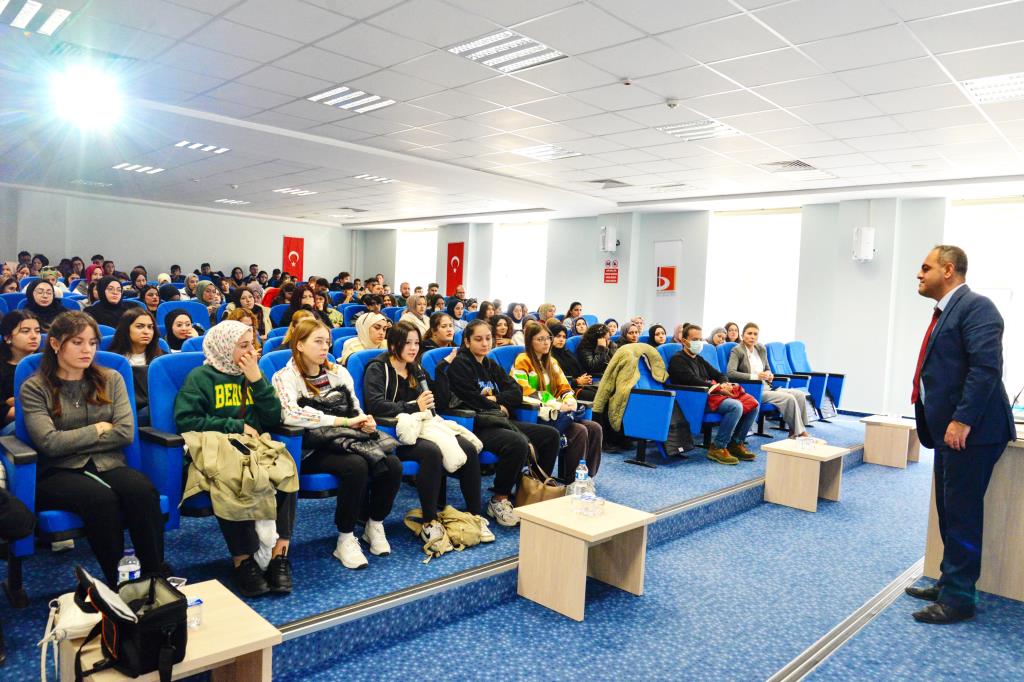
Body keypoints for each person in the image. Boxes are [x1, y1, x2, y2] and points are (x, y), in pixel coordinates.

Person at [905, 245, 1016, 624]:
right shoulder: (945, 311)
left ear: (948, 270)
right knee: (950, 510)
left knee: (963, 514)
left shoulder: (976, 307)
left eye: (926, 268)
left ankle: (958, 599)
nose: (919, 275)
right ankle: (948, 580)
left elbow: (986, 369)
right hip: (949, 431)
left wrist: (962, 420)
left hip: (973, 432)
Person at [21, 312, 166, 586]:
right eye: (77, 342)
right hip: (58, 472)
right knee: (100, 500)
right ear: (55, 344)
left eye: (92, 343)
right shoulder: (35, 387)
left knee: (142, 492)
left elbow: (124, 433)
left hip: (108, 462)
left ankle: (154, 574)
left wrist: (71, 438)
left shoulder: (111, 379)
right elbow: (50, 444)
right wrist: (99, 428)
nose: (87, 350)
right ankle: (120, 582)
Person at [175, 321, 295, 596]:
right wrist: (236, 426)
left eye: (252, 345)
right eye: (243, 346)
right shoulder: (200, 377)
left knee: (285, 469)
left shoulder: (252, 373)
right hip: (219, 449)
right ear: (224, 347)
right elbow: (186, 419)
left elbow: (272, 417)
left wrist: (256, 379)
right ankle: (243, 562)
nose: (251, 352)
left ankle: (279, 555)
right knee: (232, 478)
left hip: (255, 448)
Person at [271, 318, 401, 570]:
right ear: (299, 345)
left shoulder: (338, 372)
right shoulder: (284, 377)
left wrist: (364, 421)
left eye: (327, 342)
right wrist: (341, 420)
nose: (325, 348)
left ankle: (374, 524)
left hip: (347, 439)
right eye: (318, 342)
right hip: (310, 448)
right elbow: (291, 415)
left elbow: (354, 407)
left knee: (392, 464)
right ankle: (345, 537)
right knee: (356, 466)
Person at [362, 322, 491, 545]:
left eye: (416, 343)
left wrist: (441, 370)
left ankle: (474, 516)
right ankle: (430, 521)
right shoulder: (378, 367)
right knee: (431, 452)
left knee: (468, 448)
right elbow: (375, 405)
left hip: (424, 427)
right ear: (394, 345)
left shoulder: (415, 368)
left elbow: (436, 403)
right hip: (393, 432)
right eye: (407, 343)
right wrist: (414, 406)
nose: (413, 348)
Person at [434, 319, 560, 528]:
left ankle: (532, 492)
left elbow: (516, 391)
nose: (485, 343)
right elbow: (470, 398)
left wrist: (495, 401)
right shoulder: (460, 365)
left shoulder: (490, 364)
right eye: (478, 339)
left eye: (488, 339)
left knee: (550, 435)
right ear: (466, 341)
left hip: (498, 420)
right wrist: (496, 403)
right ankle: (499, 498)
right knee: (517, 442)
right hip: (476, 425)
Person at [512, 322, 602, 481]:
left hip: (559, 412)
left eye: (548, 338)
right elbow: (524, 391)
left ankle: (586, 477)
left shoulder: (552, 361)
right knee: (580, 431)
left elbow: (564, 386)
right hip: (539, 414)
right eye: (540, 339)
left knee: (595, 428)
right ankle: (572, 481)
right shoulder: (522, 360)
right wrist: (557, 404)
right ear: (530, 341)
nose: (546, 342)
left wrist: (569, 400)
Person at [668, 325, 758, 465]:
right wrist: (717, 387)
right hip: (696, 398)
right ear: (685, 341)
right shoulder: (677, 359)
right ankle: (718, 447)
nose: (698, 342)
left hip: (711, 394)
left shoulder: (699, 359)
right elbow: (691, 380)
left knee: (753, 404)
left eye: (700, 339)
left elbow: (719, 374)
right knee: (735, 406)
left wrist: (725, 383)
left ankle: (735, 443)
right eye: (694, 339)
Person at [727, 323, 809, 439]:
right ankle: (800, 433)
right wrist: (756, 376)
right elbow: (731, 373)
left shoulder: (761, 349)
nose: (752, 337)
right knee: (789, 398)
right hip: (752, 389)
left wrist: (769, 375)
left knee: (799, 395)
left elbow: (767, 368)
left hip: (767, 387)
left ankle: (794, 431)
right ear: (742, 335)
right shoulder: (737, 350)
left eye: (755, 334)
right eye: (749, 333)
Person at [108, 308, 164, 426]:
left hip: (156, 409)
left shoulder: (162, 358)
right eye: (140, 326)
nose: (146, 331)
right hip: (125, 413)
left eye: (150, 327)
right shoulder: (113, 360)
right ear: (126, 329)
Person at [0, 311, 41, 436]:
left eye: (38, 331)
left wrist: (17, 402)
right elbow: (3, 413)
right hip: (11, 427)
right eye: (25, 331)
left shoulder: (47, 363)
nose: (34, 336)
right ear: (7, 337)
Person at [546, 320, 595, 397]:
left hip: (579, 385)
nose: (561, 339)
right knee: (596, 397)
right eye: (558, 336)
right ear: (551, 338)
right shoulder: (548, 356)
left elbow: (581, 369)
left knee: (604, 394)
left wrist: (586, 378)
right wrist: (577, 381)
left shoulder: (567, 352)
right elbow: (556, 380)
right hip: (564, 390)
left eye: (564, 337)